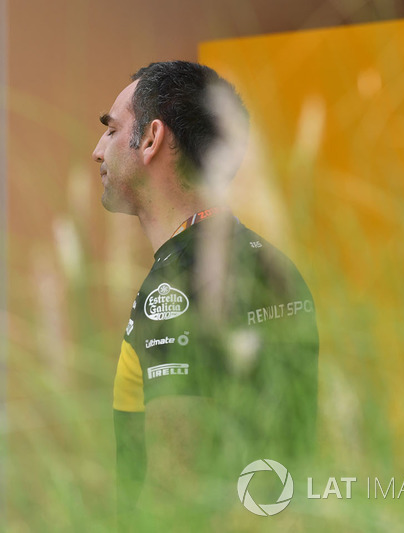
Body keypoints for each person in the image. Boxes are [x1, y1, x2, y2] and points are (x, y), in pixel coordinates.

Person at [92, 61, 318, 529]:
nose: (97, 151)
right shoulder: (273, 263)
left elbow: (179, 484)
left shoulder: (176, 282)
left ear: (151, 139)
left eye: (112, 131)